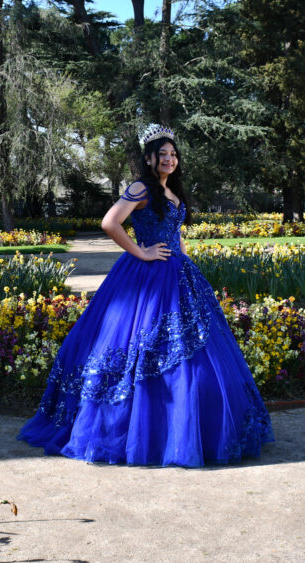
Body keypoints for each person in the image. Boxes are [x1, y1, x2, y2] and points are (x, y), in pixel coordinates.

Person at [18, 125, 274, 467]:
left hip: (178, 273)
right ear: (149, 158)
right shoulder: (141, 188)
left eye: (173, 154)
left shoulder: (172, 189)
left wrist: (183, 254)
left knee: (192, 351)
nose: (169, 159)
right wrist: (142, 253)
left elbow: (174, 229)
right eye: (163, 154)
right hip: (146, 277)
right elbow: (111, 222)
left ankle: (184, 433)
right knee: (137, 346)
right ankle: (137, 435)